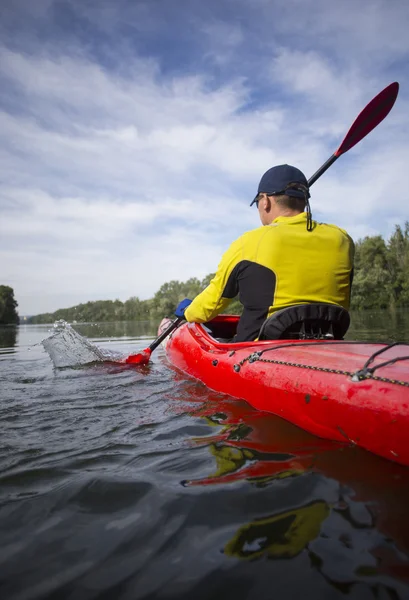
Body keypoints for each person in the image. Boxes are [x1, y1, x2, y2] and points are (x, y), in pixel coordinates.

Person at [176, 164, 354, 342]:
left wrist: (188, 311)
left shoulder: (248, 242)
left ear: (265, 201)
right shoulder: (342, 239)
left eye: (257, 203)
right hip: (330, 342)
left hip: (259, 351)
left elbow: (211, 304)